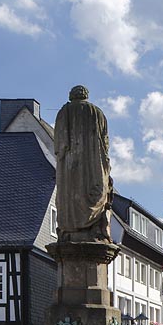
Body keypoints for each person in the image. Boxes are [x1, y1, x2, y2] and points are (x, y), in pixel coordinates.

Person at [54, 85, 113, 242]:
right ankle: (90, 223)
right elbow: (105, 144)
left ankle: (71, 224)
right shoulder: (97, 113)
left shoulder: (63, 113)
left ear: (71, 96)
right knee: (95, 189)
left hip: (69, 165)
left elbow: (59, 145)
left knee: (71, 191)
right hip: (93, 164)